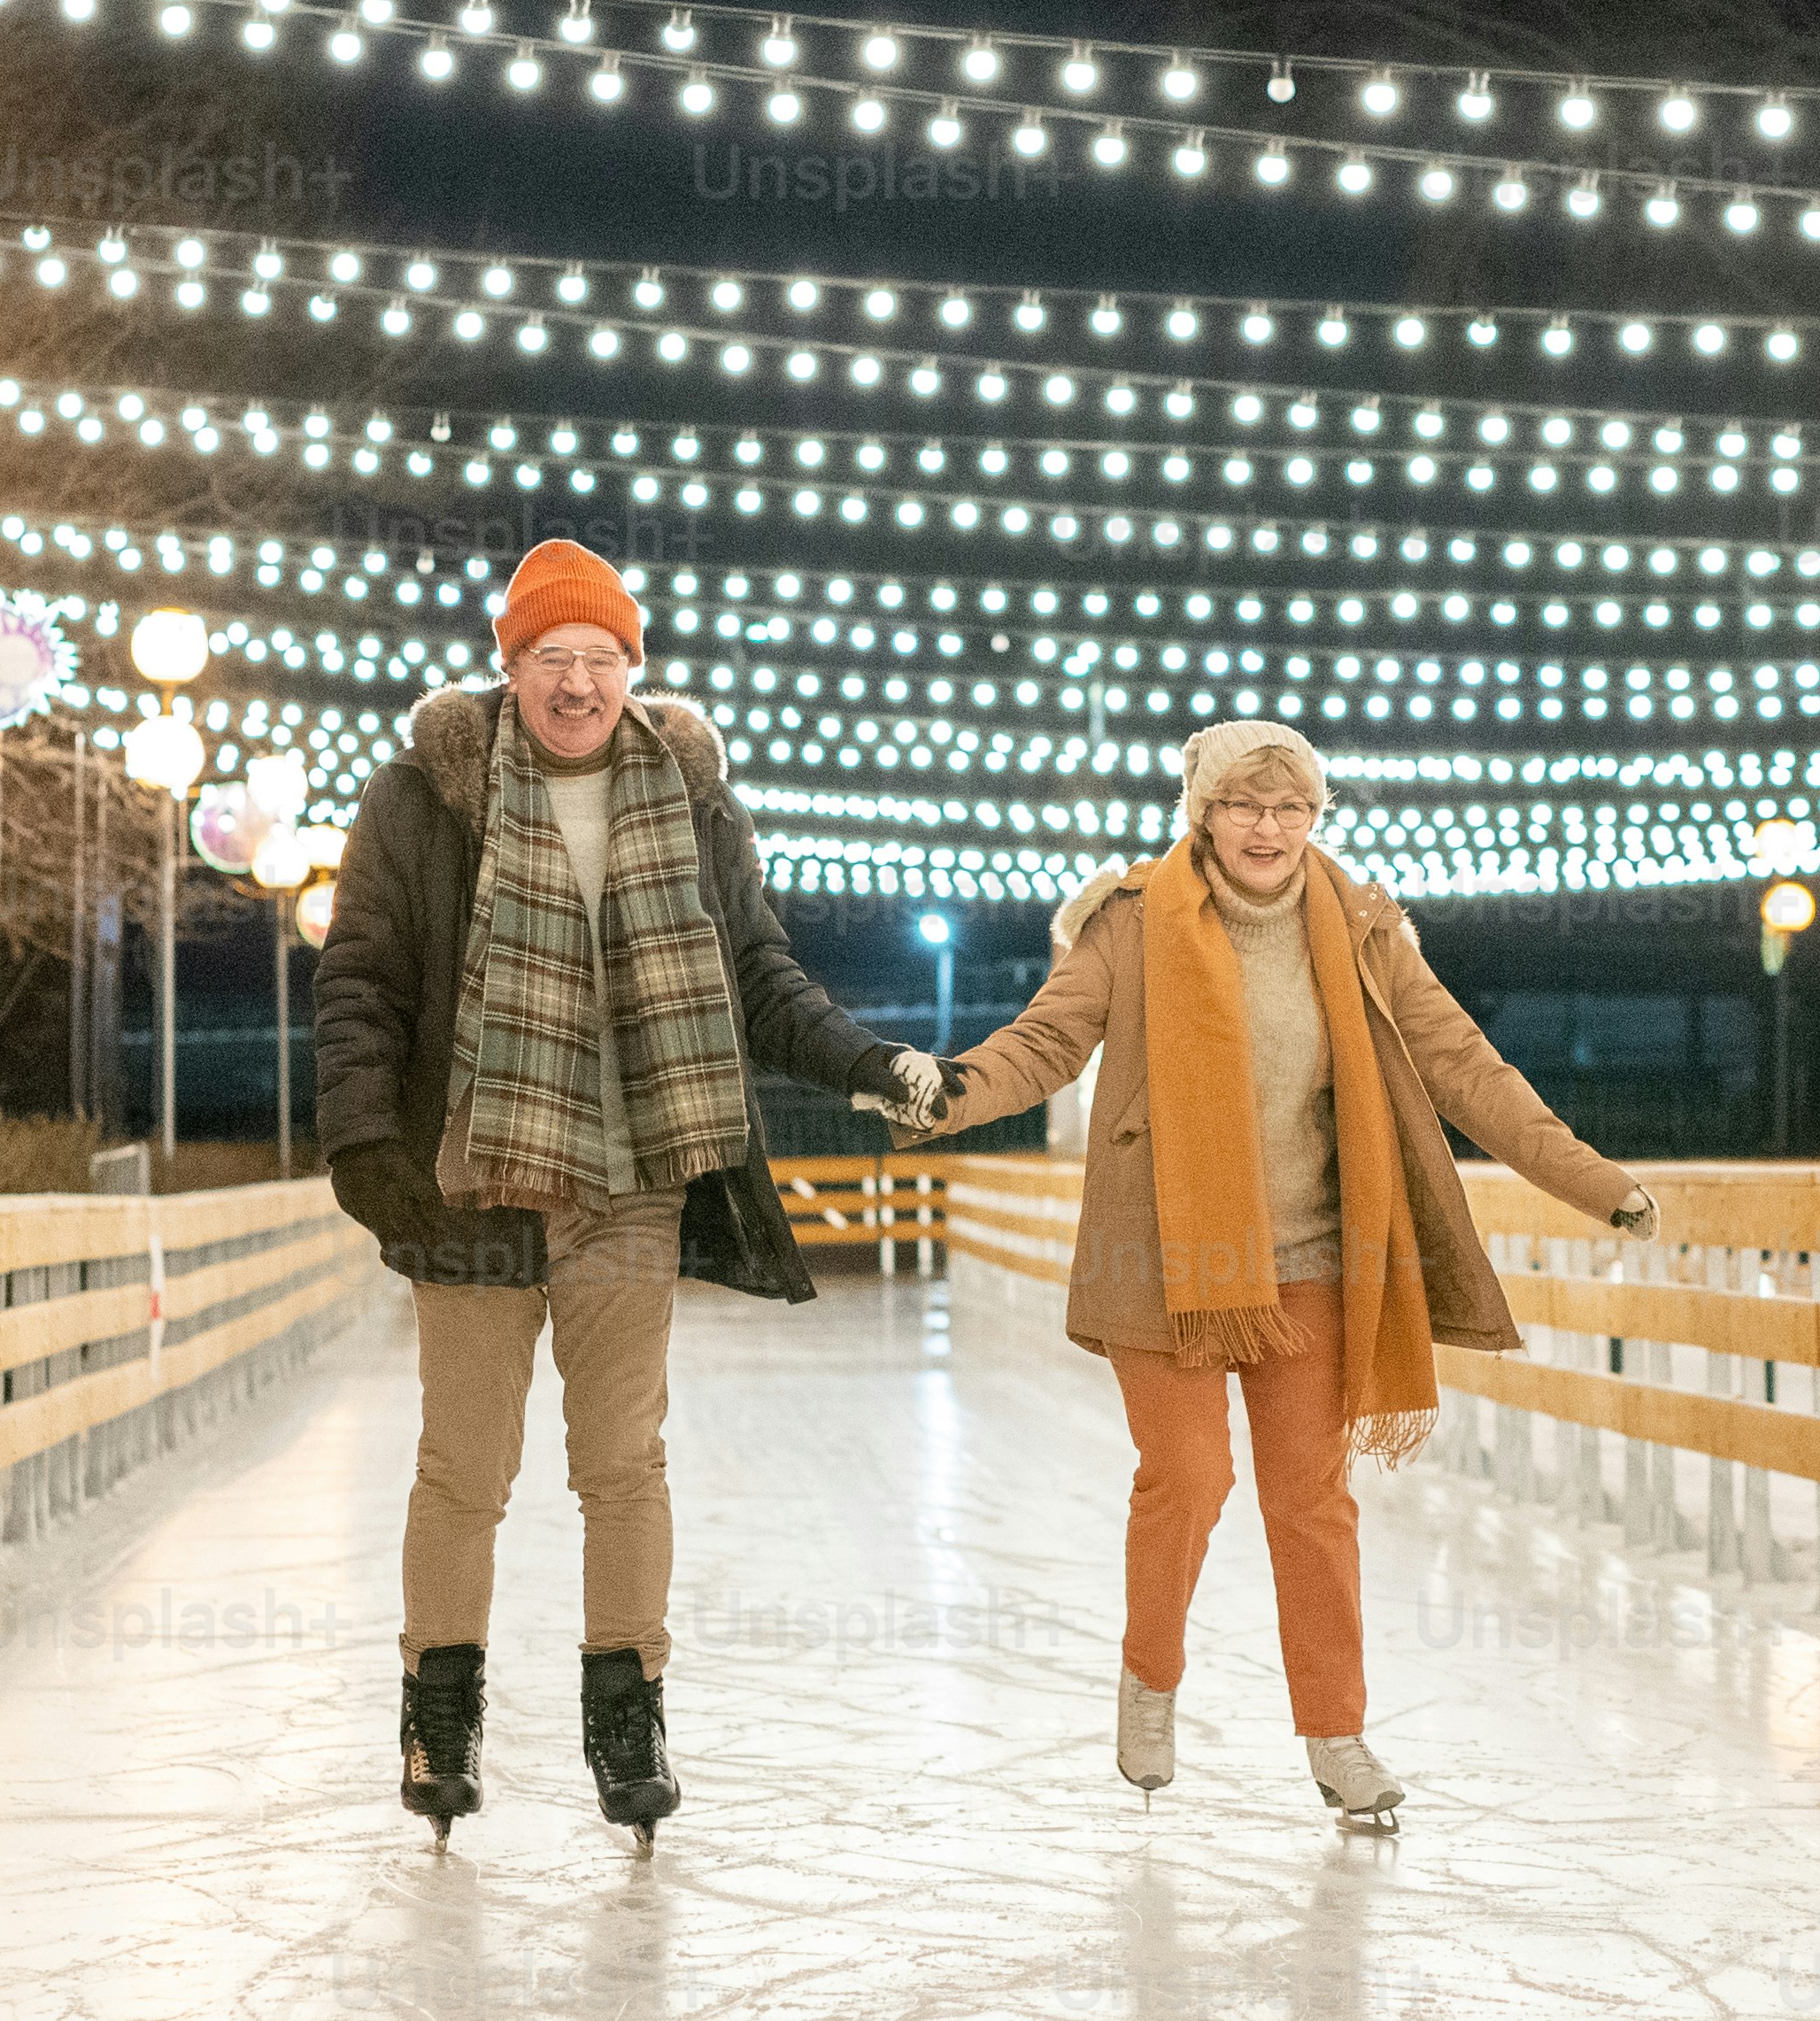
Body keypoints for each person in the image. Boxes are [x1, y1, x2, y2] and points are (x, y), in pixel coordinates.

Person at [893, 721, 1654, 1827]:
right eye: (1245, 805)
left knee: (1313, 1502)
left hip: (1312, 1261)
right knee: (1190, 1477)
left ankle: (1338, 1736)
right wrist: (943, 1089)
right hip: (1168, 1258)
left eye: (1292, 806)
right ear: (1202, 814)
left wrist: (1593, 1181)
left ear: (1315, 817)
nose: (1269, 827)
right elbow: (1044, 1043)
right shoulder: (1131, 923)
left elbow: (1463, 1064)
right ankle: (1150, 1679)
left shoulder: (1361, 928)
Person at [315, 542, 938, 1840]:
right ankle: (440, 1715)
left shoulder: (694, 801)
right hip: (474, 1179)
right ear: (512, 666)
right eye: (552, 658)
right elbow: (363, 979)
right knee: (463, 1468)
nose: (578, 684)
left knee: (620, 1460)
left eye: (601, 659)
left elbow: (759, 977)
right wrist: (364, 1142)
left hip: (633, 1180)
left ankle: (627, 1710)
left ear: (631, 670)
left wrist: (868, 1062)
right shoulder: (424, 798)